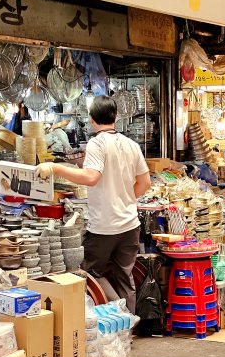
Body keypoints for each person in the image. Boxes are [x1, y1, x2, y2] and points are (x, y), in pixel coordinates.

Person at [37, 96, 150, 311]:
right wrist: (124, 199)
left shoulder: (97, 143)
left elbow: (91, 177)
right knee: (124, 277)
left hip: (104, 228)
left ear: (91, 119)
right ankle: (127, 327)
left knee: (90, 272)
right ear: (115, 117)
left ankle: (119, 314)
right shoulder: (131, 144)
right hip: (130, 225)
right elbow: (145, 182)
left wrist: (55, 168)